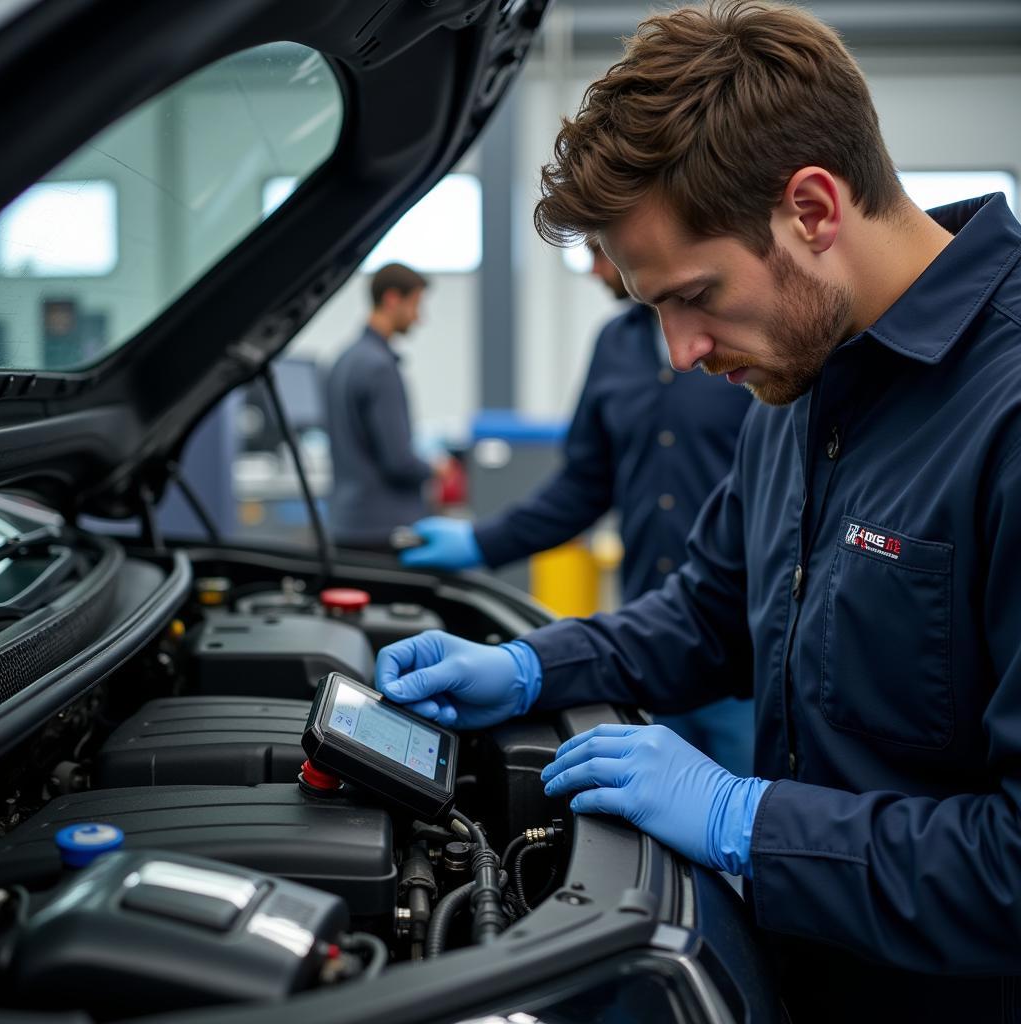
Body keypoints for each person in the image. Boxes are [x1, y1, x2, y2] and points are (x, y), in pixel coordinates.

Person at [372, 2, 1021, 1020]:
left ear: (811, 209)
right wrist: (533, 665)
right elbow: (708, 613)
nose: (679, 353)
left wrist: (745, 819)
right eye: (651, 308)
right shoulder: (797, 381)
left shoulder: (1004, 414)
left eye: (695, 294)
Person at [400, 242, 754, 773]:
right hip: (650, 642)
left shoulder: (752, 339)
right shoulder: (615, 344)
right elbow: (584, 486)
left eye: (603, 248)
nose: (592, 268)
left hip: (746, 660)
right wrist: (481, 540)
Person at [325, 263, 442, 548]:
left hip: (347, 523)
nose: (419, 318)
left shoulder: (343, 360)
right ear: (392, 299)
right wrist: (436, 469)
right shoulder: (380, 367)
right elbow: (399, 461)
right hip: (382, 528)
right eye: (415, 304)